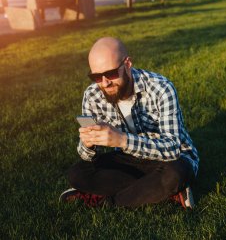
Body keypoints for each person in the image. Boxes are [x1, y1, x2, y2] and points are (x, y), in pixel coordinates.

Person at [60, 37, 199, 209]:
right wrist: (88, 145)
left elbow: (172, 148)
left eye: (111, 74)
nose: (104, 83)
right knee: (78, 173)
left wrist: (121, 140)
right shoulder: (92, 96)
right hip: (129, 159)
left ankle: (107, 201)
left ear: (127, 64)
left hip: (170, 160)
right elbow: (87, 156)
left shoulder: (161, 88)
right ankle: (162, 191)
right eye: (96, 76)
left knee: (177, 173)